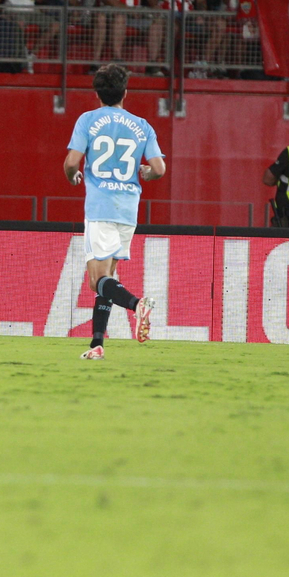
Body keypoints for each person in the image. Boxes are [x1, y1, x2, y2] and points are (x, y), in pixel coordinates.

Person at [63, 63, 168, 359]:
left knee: (96, 279)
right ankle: (97, 344)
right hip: (128, 209)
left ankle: (138, 305)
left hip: (101, 206)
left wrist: (72, 176)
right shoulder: (142, 125)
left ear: (97, 93)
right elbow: (159, 168)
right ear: (125, 92)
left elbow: (72, 162)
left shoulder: (88, 120)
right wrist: (146, 174)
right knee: (109, 277)